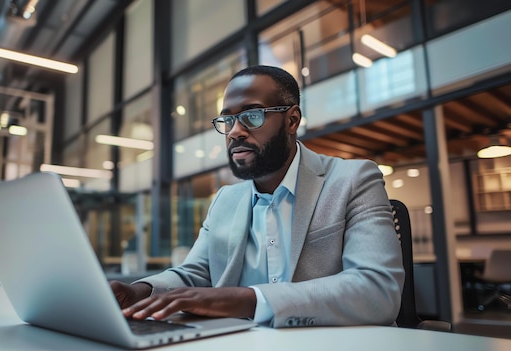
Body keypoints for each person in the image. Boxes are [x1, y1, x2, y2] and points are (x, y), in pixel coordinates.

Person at [110, 65, 404, 328]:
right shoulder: (226, 200)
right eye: (228, 121)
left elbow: (378, 290)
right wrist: (140, 292)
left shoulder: (353, 179)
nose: (235, 132)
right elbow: (197, 275)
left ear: (291, 121)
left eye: (252, 116)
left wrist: (248, 300)